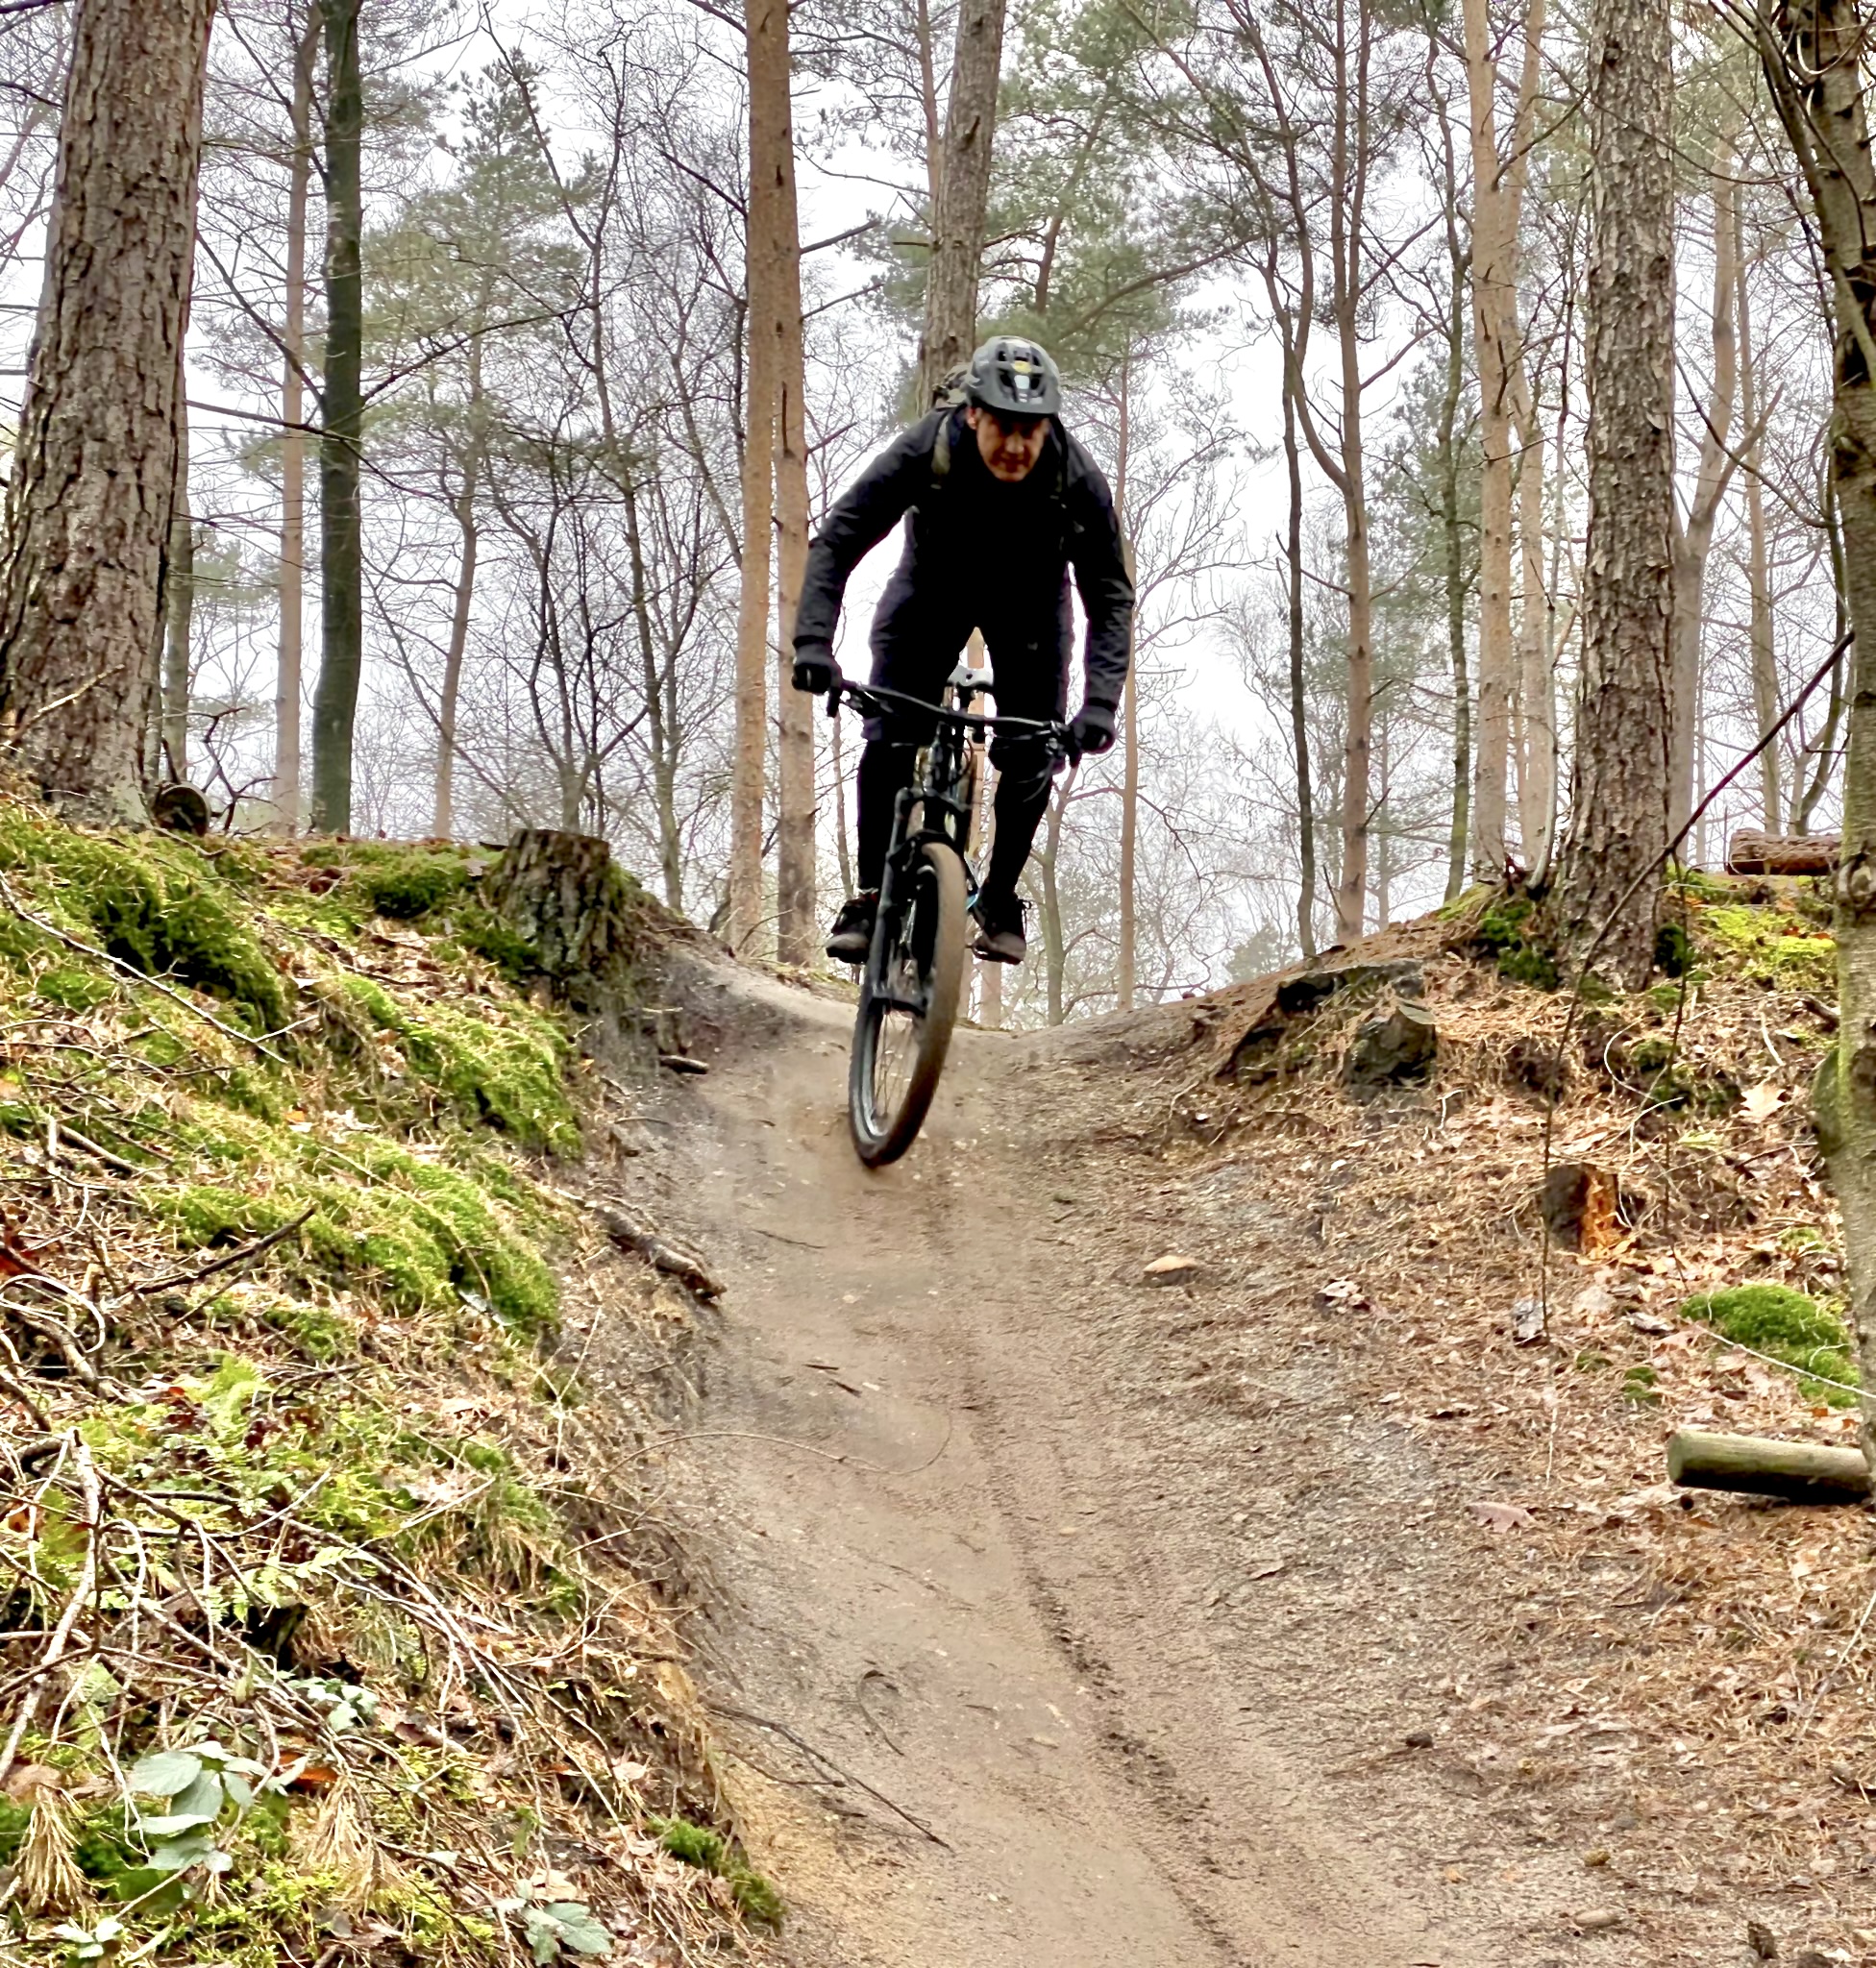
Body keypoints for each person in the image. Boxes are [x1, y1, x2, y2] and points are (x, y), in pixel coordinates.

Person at [790, 335, 1134, 965]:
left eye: (1031, 431)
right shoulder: (929, 448)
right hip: (930, 595)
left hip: (1030, 610)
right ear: (972, 412)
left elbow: (1110, 597)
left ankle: (999, 899)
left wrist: (1100, 704)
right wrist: (813, 642)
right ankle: (870, 896)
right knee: (891, 733)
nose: (1016, 446)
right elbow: (839, 539)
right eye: (1003, 426)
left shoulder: (1074, 476)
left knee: (1032, 752)